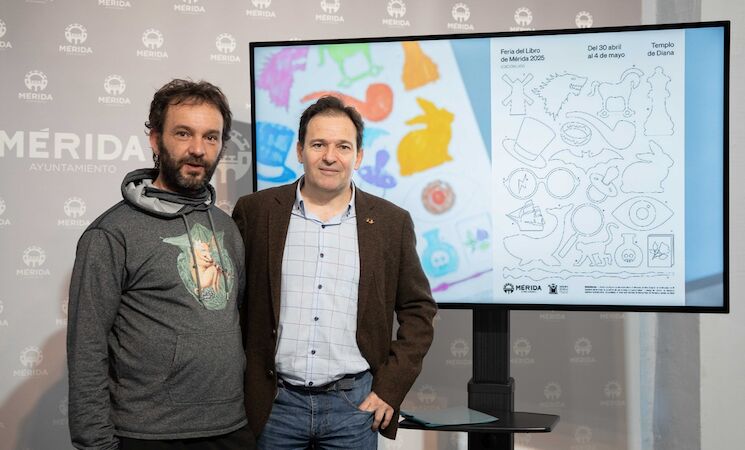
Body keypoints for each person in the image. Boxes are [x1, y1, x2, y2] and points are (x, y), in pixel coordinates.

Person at [232, 96, 437, 449]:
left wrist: (390, 388)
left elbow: (419, 310)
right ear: (300, 151)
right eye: (318, 145)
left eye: (343, 146)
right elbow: (231, 303)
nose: (330, 156)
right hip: (273, 406)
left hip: (354, 408)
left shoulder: (391, 223)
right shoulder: (257, 212)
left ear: (358, 156)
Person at [67, 79, 254, 450]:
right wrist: (96, 444)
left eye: (211, 137)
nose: (198, 149)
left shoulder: (227, 227)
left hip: (231, 429)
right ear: (155, 139)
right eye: (183, 133)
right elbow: (86, 349)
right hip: (148, 434)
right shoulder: (111, 233)